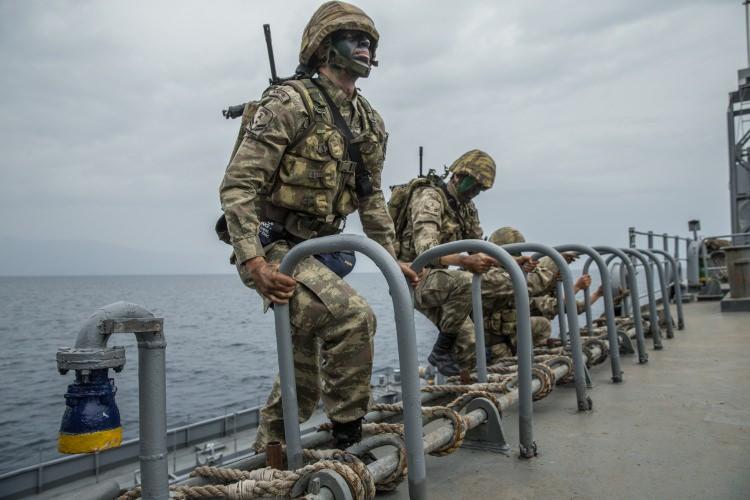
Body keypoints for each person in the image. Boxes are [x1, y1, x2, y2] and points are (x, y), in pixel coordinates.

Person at [219, 0, 417, 452]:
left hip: (322, 254)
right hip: (273, 248)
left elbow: (371, 197)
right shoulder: (289, 102)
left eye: (370, 41)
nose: (365, 47)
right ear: (325, 47)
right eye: (355, 39)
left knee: (301, 373)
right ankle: (349, 439)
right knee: (352, 317)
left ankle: (272, 458)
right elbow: (238, 185)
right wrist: (254, 262)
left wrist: (393, 258)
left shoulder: (368, 120)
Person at [390, 150, 505, 376]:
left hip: (440, 280)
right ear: (457, 176)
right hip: (412, 277)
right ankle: (441, 350)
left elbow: (478, 247)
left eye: (480, 189)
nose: (474, 192)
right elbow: (426, 250)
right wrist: (464, 260)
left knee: (470, 342)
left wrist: (512, 261)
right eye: (472, 185)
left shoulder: (465, 207)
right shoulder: (429, 198)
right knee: (465, 280)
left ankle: (466, 391)